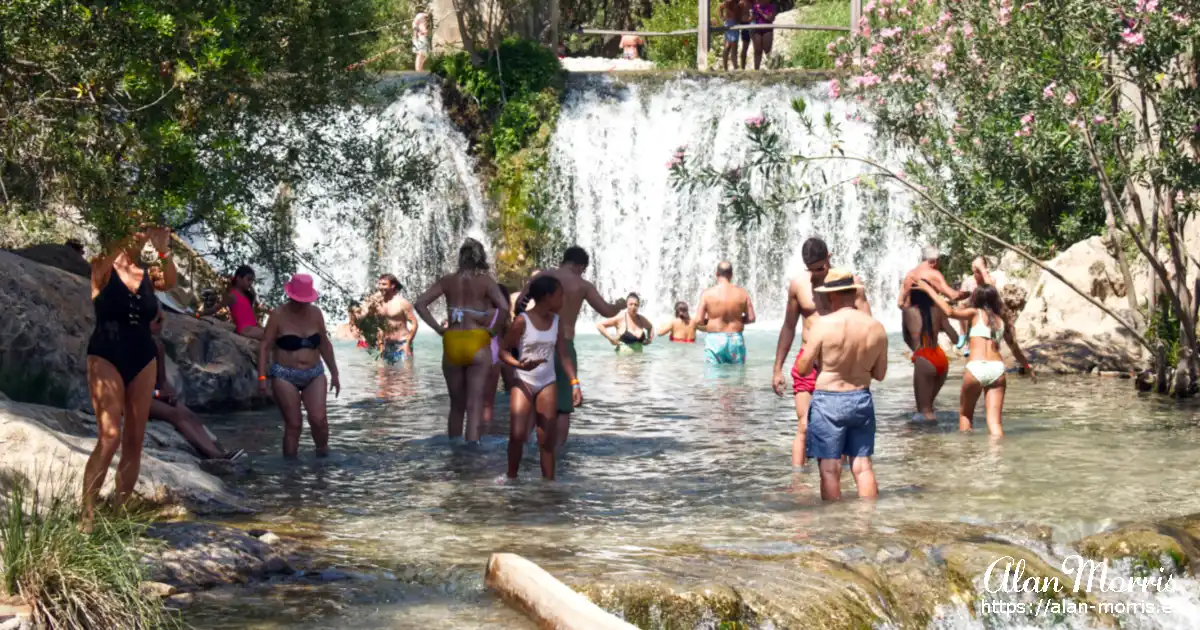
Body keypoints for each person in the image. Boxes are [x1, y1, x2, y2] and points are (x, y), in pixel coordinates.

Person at [82, 225, 176, 531]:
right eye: (135, 230)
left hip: (142, 355)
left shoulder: (149, 272)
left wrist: (163, 250)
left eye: (143, 232)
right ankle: (88, 516)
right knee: (110, 437)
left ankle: (119, 516)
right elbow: (99, 275)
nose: (140, 235)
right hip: (105, 354)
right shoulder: (103, 264)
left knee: (134, 439)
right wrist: (123, 239)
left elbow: (172, 282)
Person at [772, 238, 871, 469]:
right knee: (805, 425)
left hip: (841, 362)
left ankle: (843, 480)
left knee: (843, 428)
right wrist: (777, 368)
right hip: (809, 358)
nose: (817, 274)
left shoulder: (849, 283)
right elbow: (788, 326)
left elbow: (867, 323)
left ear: (830, 257)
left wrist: (866, 364)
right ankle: (798, 484)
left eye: (821, 268)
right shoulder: (798, 285)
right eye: (811, 269)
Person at [793, 269, 888, 501]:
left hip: (828, 400)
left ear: (832, 296)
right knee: (863, 466)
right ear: (854, 294)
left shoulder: (823, 325)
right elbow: (880, 374)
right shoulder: (876, 327)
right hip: (860, 398)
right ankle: (867, 521)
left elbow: (802, 368)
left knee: (829, 468)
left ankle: (834, 526)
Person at [517, 247, 625, 448]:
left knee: (533, 400)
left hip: (536, 341)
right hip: (563, 344)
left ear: (564, 260)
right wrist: (619, 305)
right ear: (580, 266)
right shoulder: (582, 285)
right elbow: (606, 311)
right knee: (563, 407)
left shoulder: (543, 276)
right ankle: (557, 453)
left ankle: (523, 448)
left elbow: (520, 304)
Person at [414, 239, 509, 443]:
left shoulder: (448, 280)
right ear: (481, 257)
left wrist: (438, 328)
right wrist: (492, 331)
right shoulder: (486, 281)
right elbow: (504, 307)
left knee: (457, 405)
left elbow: (420, 303)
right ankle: (472, 451)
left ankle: (454, 451)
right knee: (475, 404)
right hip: (477, 340)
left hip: (452, 341)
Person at [920, 280, 1034, 437]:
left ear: (976, 298)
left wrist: (927, 288)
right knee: (995, 423)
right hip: (997, 369)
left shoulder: (974, 313)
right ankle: (997, 458)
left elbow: (949, 311)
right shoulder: (1001, 321)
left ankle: (969, 458)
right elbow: (1015, 350)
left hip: (976, 368)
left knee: (965, 416)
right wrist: (1028, 369)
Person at [501, 276, 581, 479]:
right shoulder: (522, 321)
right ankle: (511, 478)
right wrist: (519, 364)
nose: (563, 299)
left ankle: (548, 485)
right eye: (560, 295)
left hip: (547, 381)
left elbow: (563, 356)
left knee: (546, 439)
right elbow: (503, 351)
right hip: (524, 380)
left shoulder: (557, 321)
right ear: (547, 296)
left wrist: (574, 383)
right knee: (518, 435)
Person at [257, 274, 341, 458]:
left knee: (319, 420)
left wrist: (335, 373)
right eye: (298, 300)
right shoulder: (278, 315)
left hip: (314, 373)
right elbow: (264, 346)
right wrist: (262, 377)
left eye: (305, 301)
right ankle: (290, 475)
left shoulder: (316, 313)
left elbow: (324, 344)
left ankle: (323, 461)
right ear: (290, 296)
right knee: (294, 424)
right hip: (284, 375)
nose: (301, 304)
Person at [149, 309, 244, 461]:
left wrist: (168, 393)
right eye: (158, 322)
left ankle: (218, 449)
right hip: (136, 396)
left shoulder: (157, 346)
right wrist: (156, 394)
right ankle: (213, 454)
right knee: (175, 415)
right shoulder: (131, 345)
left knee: (190, 415)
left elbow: (162, 381)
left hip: (153, 394)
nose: (161, 327)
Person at [896, 249, 968, 421]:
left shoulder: (908, 311)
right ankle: (938, 445)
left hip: (924, 358)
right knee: (930, 406)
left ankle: (926, 445)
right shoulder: (939, 312)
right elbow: (955, 338)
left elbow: (906, 337)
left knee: (924, 411)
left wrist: (916, 351)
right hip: (940, 358)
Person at [697, 261, 756, 364]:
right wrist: (736, 319)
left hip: (715, 340)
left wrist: (712, 320)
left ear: (717, 274)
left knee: (713, 376)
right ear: (731, 274)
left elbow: (699, 320)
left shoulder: (707, 294)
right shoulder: (742, 293)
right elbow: (751, 318)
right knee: (737, 377)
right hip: (736, 339)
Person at [351, 273, 419, 364]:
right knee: (384, 375)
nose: (380, 287)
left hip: (402, 343)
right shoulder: (376, 302)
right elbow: (367, 319)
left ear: (392, 286)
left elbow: (415, 323)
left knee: (405, 375)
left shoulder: (402, 303)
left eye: (384, 284)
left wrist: (408, 343)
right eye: (379, 284)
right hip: (386, 344)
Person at [196, 265, 264, 339]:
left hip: (254, 328)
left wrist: (252, 292)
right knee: (273, 336)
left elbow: (251, 313)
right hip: (246, 330)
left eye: (252, 281)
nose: (250, 283)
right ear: (239, 278)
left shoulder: (247, 295)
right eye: (248, 279)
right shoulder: (232, 296)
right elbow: (216, 308)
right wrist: (199, 314)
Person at [956, 256, 995, 355]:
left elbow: (992, 291)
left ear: (984, 267)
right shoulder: (969, 280)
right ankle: (963, 335)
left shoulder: (989, 278)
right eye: (974, 266)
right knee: (961, 305)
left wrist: (983, 271)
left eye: (978, 267)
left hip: (986, 306)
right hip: (972, 306)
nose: (976, 270)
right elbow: (962, 296)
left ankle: (972, 344)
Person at [750, 0, 777, 70]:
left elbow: (771, 18)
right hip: (758, 29)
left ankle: (770, 65)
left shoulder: (771, 7)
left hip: (767, 29)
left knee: (767, 49)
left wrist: (762, 13)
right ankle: (756, 69)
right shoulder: (755, 7)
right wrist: (752, 16)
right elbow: (752, 18)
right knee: (758, 50)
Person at [720, 0, 742, 71]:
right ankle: (727, 68)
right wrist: (722, 17)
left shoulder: (738, 4)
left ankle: (734, 68)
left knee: (732, 47)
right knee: (728, 47)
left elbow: (739, 15)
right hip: (729, 24)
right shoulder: (727, 3)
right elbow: (720, 8)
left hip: (735, 24)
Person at [738, 0, 754, 70]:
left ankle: (757, 67)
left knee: (758, 46)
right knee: (745, 47)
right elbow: (738, 15)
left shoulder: (753, 2)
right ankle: (742, 67)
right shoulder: (741, 3)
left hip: (754, 24)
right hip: (745, 25)